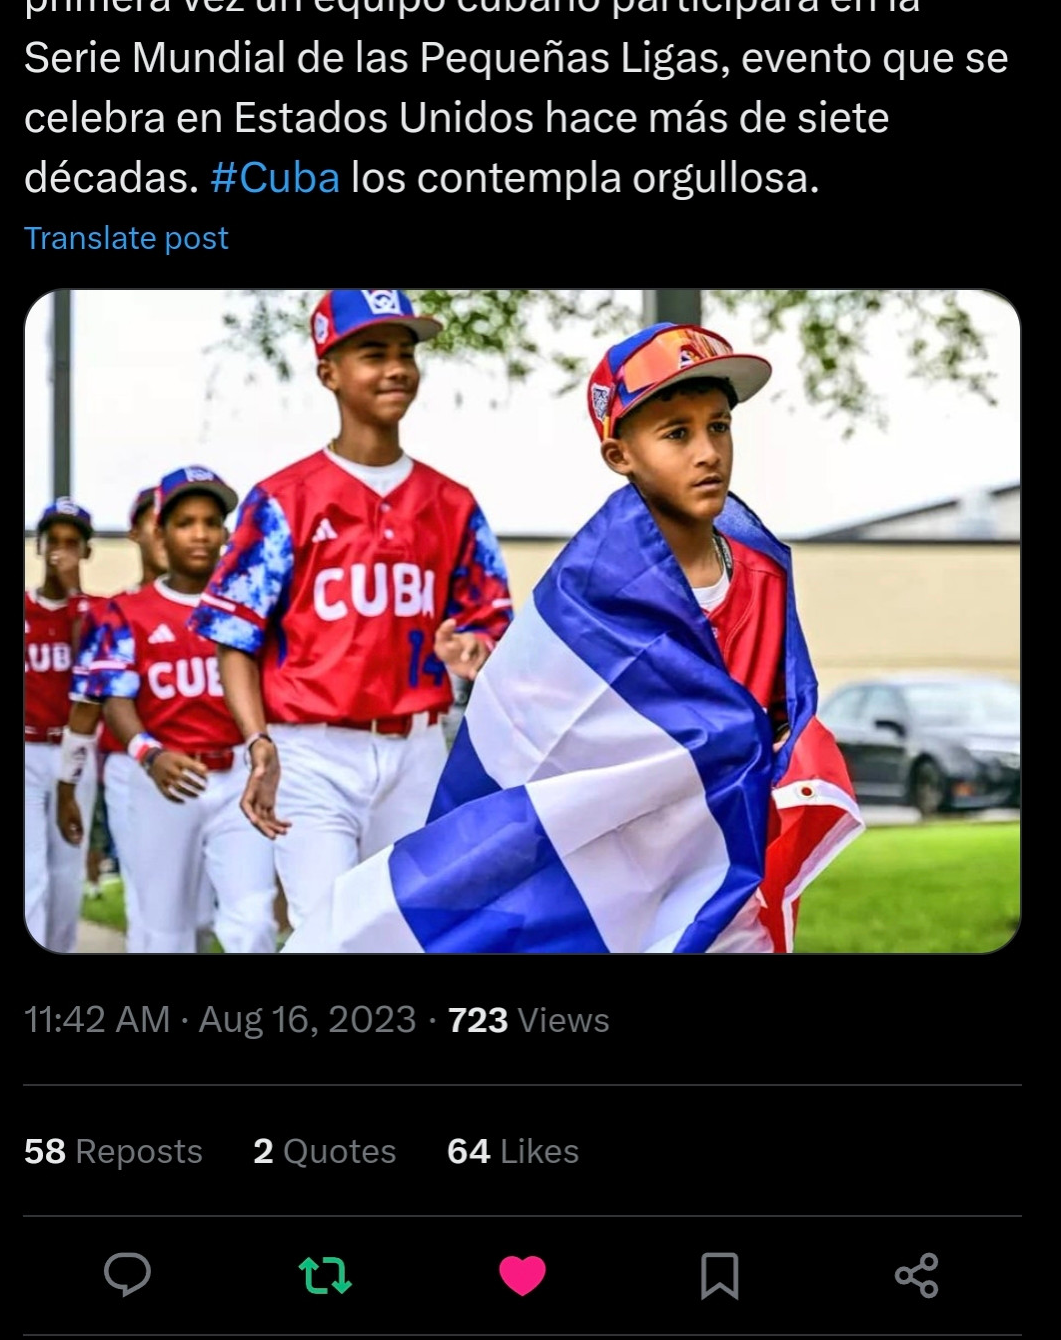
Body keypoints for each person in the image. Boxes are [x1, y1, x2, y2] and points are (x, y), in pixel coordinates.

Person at [283, 322, 863, 955]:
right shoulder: (591, 589)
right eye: (676, 433)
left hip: (727, 861)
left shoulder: (762, 571)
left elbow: (780, 710)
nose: (708, 452)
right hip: (617, 865)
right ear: (620, 456)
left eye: (719, 426)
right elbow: (540, 737)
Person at [190, 287, 515, 932]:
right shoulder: (282, 499)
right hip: (310, 751)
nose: (396, 367)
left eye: (406, 352)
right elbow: (234, 636)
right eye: (373, 352)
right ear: (329, 371)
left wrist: (474, 647)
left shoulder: (452, 502)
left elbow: (490, 618)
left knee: (405, 928)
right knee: (326, 929)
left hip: (417, 746)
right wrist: (259, 742)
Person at [86, 468, 277, 954]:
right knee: (164, 933)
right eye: (185, 522)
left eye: (211, 522)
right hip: (165, 780)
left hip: (239, 778)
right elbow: (115, 699)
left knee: (253, 925)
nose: (200, 534)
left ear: (225, 534)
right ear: (161, 532)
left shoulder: (248, 606)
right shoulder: (128, 612)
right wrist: (148, 753)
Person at [57, 485, 169, 952]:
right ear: (140, 531)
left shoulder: (220, 611)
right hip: (132, 767)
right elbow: (88, 695)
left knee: (210, 912)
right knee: (151, 903)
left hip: (214, 766)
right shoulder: (112, 611)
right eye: (161, 520)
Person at [25, 499, 98, 952]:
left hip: (76, 753)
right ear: (40, 545)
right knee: (29, 871)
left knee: (67, 872)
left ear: (86, 552)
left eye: (73, 543)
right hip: (28, 748)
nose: (62, 552)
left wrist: (76, 597)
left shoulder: (95, 613)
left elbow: (86, 671)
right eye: (55, 541)